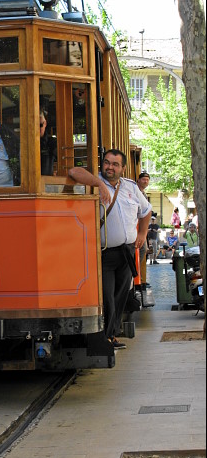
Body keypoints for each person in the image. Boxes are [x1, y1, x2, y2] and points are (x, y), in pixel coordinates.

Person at [68, 149, 152, 351]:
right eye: (106, 163)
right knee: (107, 296)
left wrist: (142, 234)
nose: (110, 167)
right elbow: (72, 171)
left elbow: (146, 211)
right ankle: (103, 338)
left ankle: (112, 335)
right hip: (104, 252)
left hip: (127, 251)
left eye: (115, 164)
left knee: (121, 295)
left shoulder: (131, 187)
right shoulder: (93, 181)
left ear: (123, 168)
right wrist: (98, 184)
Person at [136, 172, 151, 281]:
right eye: (144, 179)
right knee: (141, 249)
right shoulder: (135, 191)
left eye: (147, 180)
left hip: (141, 227)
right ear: (139, 180)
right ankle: (135, 275)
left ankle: (136, 276)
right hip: (135, 226)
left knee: (142, 249)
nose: (146, 181)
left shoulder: (144, 194)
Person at [40, 108, 57, 176]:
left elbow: (67, 161)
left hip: (46, 184)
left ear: (45, 123)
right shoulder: (23, 144)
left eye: (40, 125)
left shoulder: (52, 143)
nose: (37, 128)